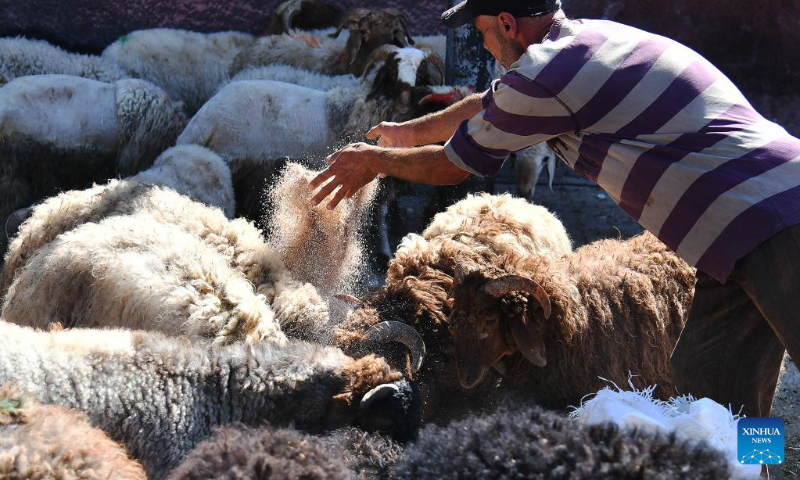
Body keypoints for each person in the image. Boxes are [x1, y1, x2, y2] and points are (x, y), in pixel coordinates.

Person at [309, 0, 800, 421]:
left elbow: (454, 166)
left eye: (482, 34)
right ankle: (758, 469)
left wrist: (375, 162)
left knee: (729, 384)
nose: (483, 47)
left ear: (506, 23)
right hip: (724, 243)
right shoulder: (577, 48)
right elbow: (487, 104)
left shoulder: (548, 76)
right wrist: (407, 133)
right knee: (716, 385)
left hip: (771, 214)